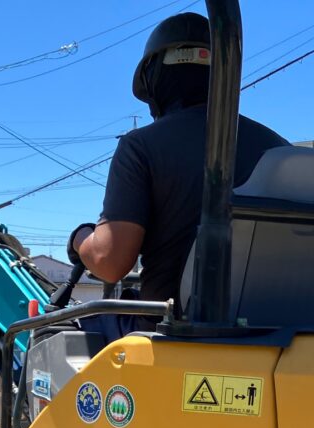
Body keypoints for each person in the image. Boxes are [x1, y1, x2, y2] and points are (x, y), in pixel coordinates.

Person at [70, 12, 288, 309]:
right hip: (278, 332)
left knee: (55, 336)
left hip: (170, 334)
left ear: (155, 80)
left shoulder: (141, 146)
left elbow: (109, 263)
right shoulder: (279, 148)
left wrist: (80, 238)